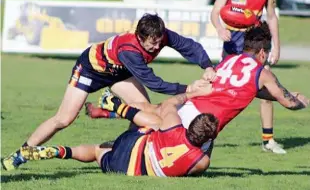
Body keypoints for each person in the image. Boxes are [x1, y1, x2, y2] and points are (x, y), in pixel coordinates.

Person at [2, 13, 215, 171]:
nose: (156, 47)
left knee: (148, 111)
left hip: (119, 73)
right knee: (64, 119)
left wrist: (207, 66)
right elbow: (153, 82)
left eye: (159, 42)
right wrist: (189, 89)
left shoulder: (160, 34)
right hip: (90, 70)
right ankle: (22, 153)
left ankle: (129, 148)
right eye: (152, 44)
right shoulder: (129, 49)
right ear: (140, 37)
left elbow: (188, 46)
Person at [103, 22, 309, 156]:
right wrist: (300, 101)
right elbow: (289, 103)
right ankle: (113, 140)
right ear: (263, 52)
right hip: (202, 121)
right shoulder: (262, 72)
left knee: (155, 120)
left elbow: (248, 90)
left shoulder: (230, 60)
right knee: (163, 146)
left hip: (192, 105)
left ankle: (113, 117)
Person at [18, 86, 219, 177]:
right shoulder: (202, 161)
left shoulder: (174, 127)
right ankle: (61, 152)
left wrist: (195, 93)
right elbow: (194, 165)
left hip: (135, 143)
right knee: (97, 151)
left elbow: (170, 103)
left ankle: (115, 106)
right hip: (130, 169)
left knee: (158, 121)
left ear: (190, 126)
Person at [210, 0, 283, 153]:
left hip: (254, 39)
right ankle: (205, 134)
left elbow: (272, 17)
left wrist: (276, 47)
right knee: (219, 88)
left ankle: (268, 141)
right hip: (232, 39)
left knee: (268, 84)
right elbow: (215, 11)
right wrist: (219, 28)